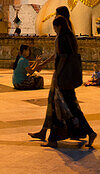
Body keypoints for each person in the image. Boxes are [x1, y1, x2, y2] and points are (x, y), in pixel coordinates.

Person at [29, 14, 96, 148]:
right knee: (69, 106)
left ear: (58, 26)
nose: (54, 30)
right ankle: (59, 137)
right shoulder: (70, 37)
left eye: (55, 27)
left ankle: (86, 132)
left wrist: (58, 76)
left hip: (63, 77)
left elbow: (62, 58)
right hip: (69, 77)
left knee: (62, 107)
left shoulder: (61, 38)